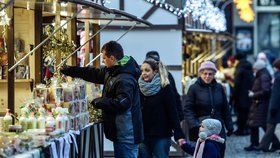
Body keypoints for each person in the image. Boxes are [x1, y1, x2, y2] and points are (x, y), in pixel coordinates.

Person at [60, 41, 143, 158]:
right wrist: (70, 70)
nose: (103, 61)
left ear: (112, 58)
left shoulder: (124, 78)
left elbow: (122, 103)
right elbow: (93, 73)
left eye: (104, 58)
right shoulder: (114, 70)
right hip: (121, 132)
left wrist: (100, 101)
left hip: (126, 134)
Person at [184, 61, 233, 157]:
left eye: (210, 74)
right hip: (202, 128)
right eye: (204, 73)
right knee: (203, 154)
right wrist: (194, 125)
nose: (207, 76)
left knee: (219, 153)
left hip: (218, 128)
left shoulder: (219, 87)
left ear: (214, 74)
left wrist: (229, 125)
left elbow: (225, 108)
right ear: (200, 74)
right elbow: (188, 109)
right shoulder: (193, 88)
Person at [138, 58, 185, 158]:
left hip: (161, 135)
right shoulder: (139, 88)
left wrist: (179, 134)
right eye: (142, 70)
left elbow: (173, 112)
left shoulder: (165, 88)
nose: (143, 73)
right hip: (143, 135)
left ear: (155, 72)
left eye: (147, 70)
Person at [145, 51, 184, 121]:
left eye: (156, 62)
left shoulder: (167, 76)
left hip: (166, 118)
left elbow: (175, 96)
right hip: (147, 118)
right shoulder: (142, 77)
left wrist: (179, 116)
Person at [244, 60, 272, 151]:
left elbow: (266, 91)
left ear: (258, 68)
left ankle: (275, 143)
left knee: (261, 125)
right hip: (258, 103)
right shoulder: (261, 75)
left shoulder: (263, 76)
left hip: (260, 104)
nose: (253, 70)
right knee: (255, 125)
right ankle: (255, 143)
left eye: (254, 69)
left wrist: (253, 94)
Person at [256, 58, 280, 152]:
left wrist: (273, 107)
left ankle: (264, 145)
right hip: (277, 106)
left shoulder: (278, 77)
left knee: (270, 125)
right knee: (271, 126)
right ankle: (270, 145)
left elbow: (276, 94)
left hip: (276, 106)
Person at [232, 53, 254, 135]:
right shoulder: (249, 67)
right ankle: (246, 129)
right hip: (248, 94)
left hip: (240, 95)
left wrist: (233, 95)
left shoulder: (240, 68)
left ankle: (241, 130)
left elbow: (237, 84)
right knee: (246, 113)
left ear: (237, 60)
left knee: (241, 114)